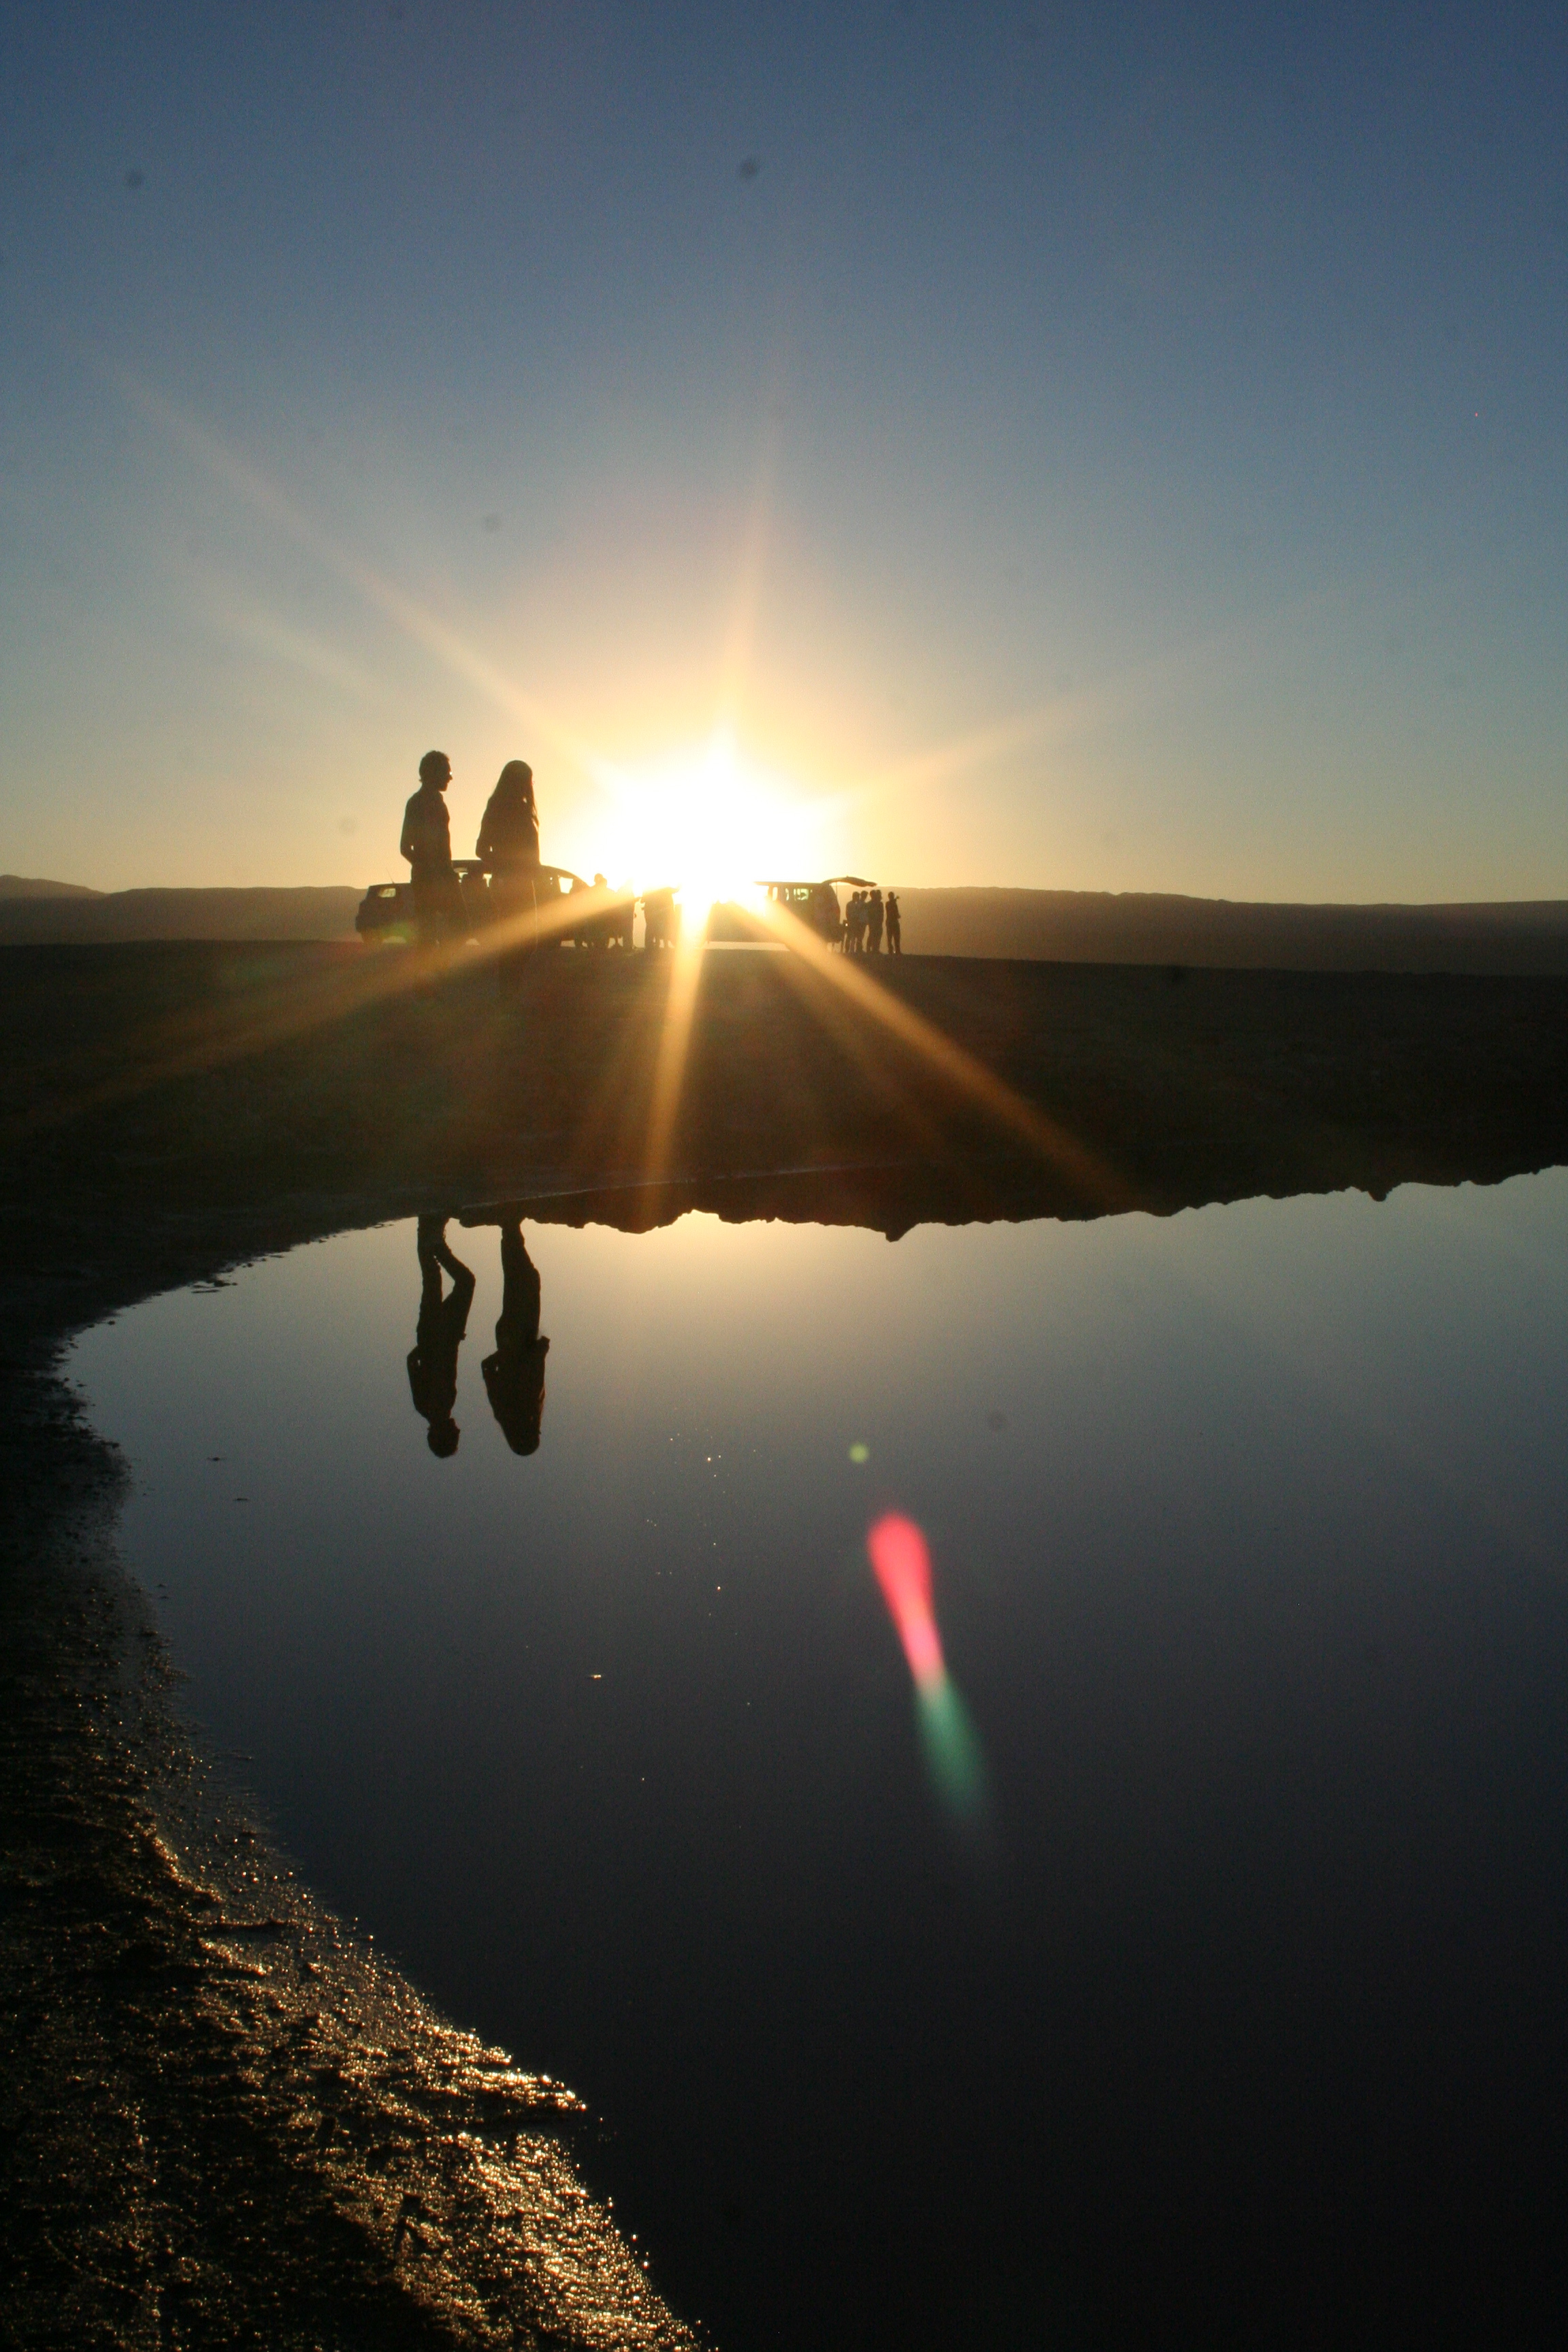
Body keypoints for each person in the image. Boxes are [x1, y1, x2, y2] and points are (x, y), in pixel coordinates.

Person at [406, 1216, 475, 1457]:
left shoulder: (430, 1406)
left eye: (454, 1435)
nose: (458, 1430)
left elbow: (413, 1362)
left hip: (438, 1334)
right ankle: (432, 1239)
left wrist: (429, 1346)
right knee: (441, 1280)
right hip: (444, 1335)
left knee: (442, 1280)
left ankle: (431, 1239)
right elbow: (413, 1362)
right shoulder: (437, 1406)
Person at [482, 1222, 551, 1454]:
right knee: (525, 1280)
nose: (537, 1428)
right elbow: (535, 1366)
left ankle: (509, 1229)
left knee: (522, 1281)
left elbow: (487, 1366)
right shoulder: (528, 1405)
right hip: (522, 1334)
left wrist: (508, 1354)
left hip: (513, 1336)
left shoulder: (506, 1408)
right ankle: (510, 1231)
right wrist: (540, 1351)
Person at [476, 757, 540, 992]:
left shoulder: (522, 809)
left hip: (524, 882)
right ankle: (507, 992)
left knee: (526, 940)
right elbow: (481, 848)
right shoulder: (497, 809)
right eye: (528, 780)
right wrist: (506, 866)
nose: (530, 785)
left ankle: (509, 990)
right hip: (508, 883)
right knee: (516, 940)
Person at [401, 750, 462, 956]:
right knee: (429, 936)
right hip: (429, 880)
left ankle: (440, 967)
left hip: (442, 877)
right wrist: (428, 870)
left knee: (453, 930)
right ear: (434, 773)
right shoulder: (418, 803)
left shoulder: (437, 802)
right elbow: (405, 847)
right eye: (447, 773)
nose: (450, 778)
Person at [867, 888, 885, 956]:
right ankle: (872, 949)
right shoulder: (876, 904)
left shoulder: (876, 904)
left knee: (876, 936)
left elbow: (881, 913)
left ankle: (874, 949)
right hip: (874, 922)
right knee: (873, 935)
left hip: (877, 922)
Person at [885, 889, 902, 956]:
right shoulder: (892, 904)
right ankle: (896, 950)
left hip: (890, 922)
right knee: (895, 936)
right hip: (893, 922)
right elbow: (894, 912)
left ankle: (891, 950)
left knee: (890, 937)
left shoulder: (889, 903)